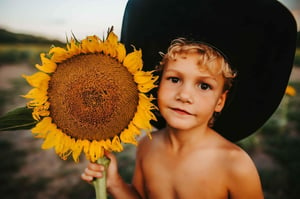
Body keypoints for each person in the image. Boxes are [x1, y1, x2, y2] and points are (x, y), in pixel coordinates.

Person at [81, 38, 264, 199]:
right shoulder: (146, 147)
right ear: (158, 84)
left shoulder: (235, 165)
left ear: (220, 101)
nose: (184, 95)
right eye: (174, 80)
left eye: (204, 86)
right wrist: (114, 183)